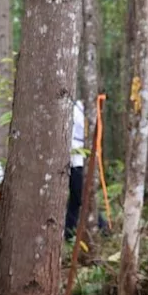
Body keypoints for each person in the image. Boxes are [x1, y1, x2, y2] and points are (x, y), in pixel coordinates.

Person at [64, 100, 107, 240]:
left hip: (83, 158)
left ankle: (69, 231)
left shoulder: (88, 111)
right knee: (82, 195)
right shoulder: (76, 110)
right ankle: (101, 226)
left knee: (76, 200)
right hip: (75, 159)